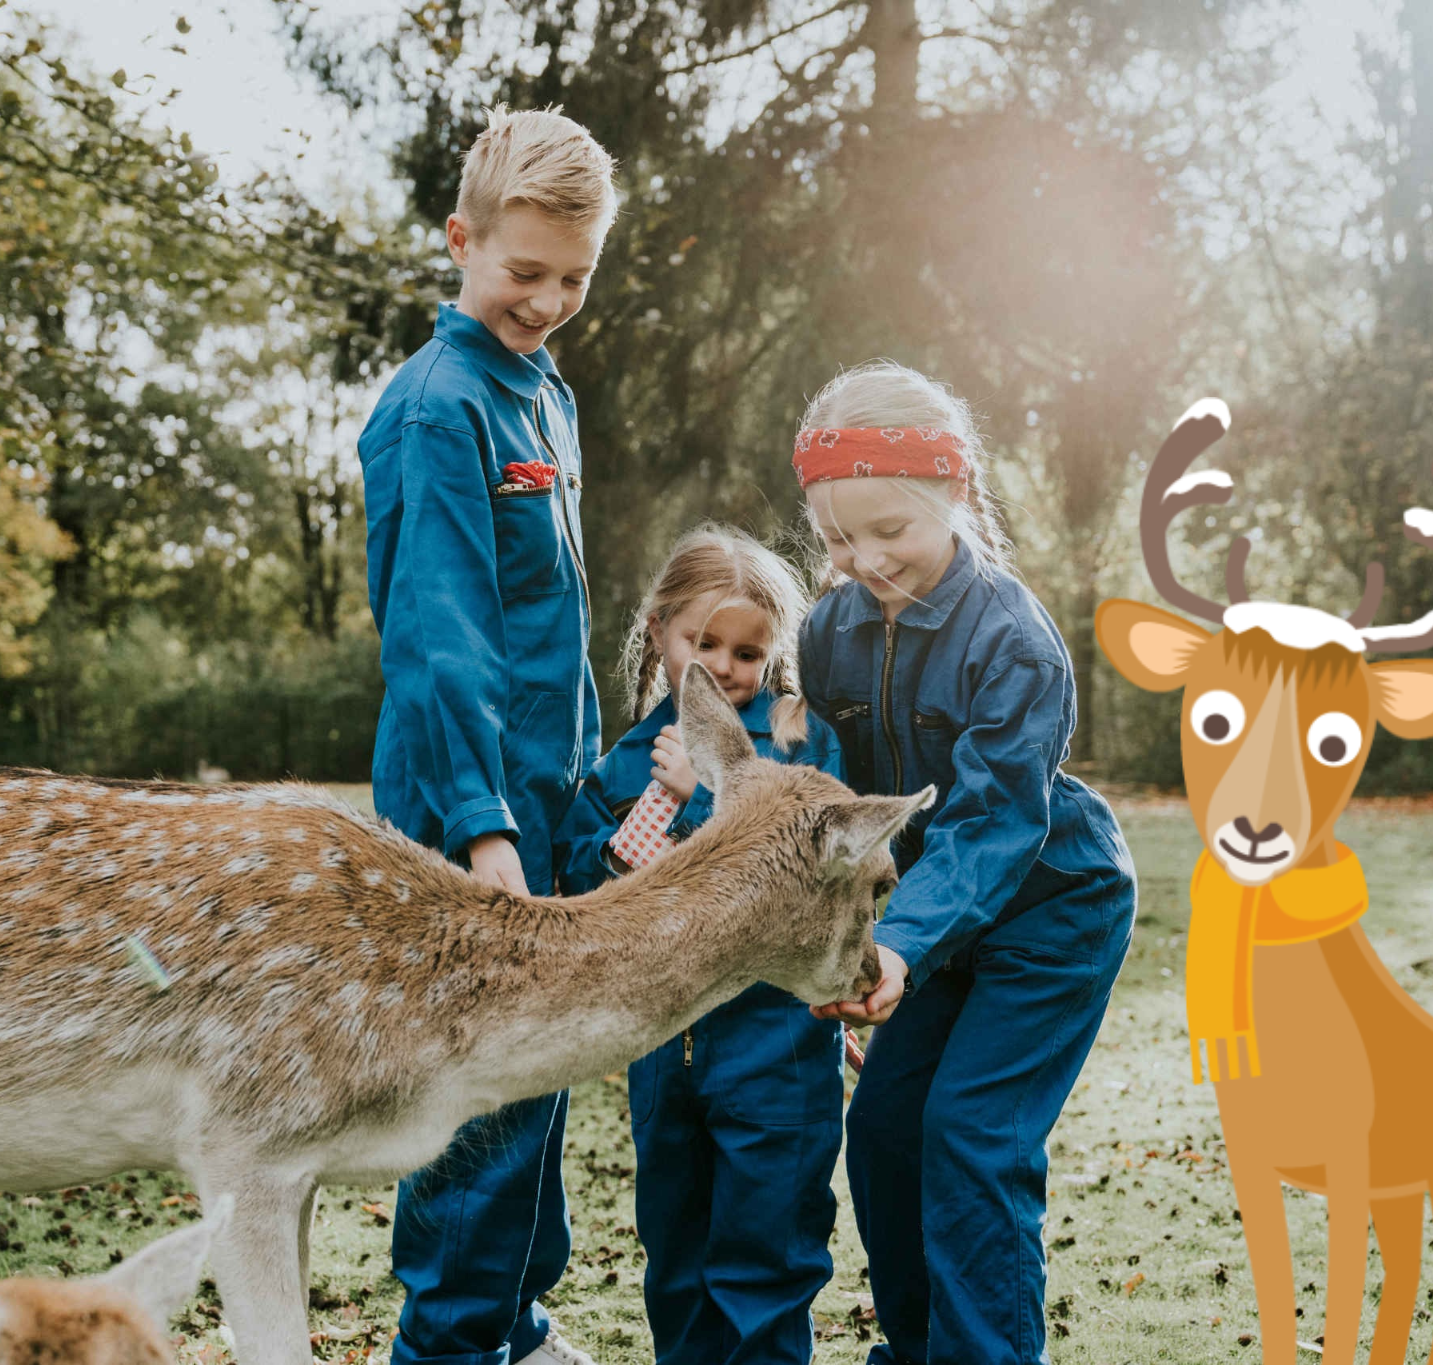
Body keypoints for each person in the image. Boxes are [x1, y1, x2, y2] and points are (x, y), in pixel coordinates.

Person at [793, 361, 1137, 1365]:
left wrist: (897, 949)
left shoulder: (1011, 640)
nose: (865, 558)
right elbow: (832, 803)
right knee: (889, 1137)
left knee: (970, 1140)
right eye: (837, 539)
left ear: (953, 493)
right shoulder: (827, 634)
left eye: (888, 530)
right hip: (922, 935)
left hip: (1047, 913)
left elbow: (990, 824)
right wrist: (847, 948)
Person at [358, 105, 618, 1365]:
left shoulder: (545, 397)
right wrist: (482, 831)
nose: (548, 299)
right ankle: (452, 1346)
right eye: (523, 273)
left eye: (574, 277)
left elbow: (552, 637)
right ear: (459, 241)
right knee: (474, 1106)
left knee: (539, 1087)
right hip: (471, 826)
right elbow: (440, 640)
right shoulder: (437, 408)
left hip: (553, 807)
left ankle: (513, 1328)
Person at [554, 525, 849, 1365]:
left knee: (768, 1259)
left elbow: (799, 862)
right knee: (676, 1259)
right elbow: (586, 874)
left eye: (747, 650)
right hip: (663, 1053)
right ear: (658, 632)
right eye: (703, 641)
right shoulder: (627, 757)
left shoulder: (795, 739)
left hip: (774, 1051)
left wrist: (707, 792)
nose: (724, 665)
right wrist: (638, 821)